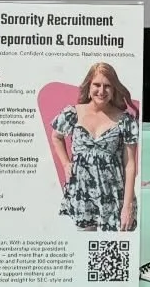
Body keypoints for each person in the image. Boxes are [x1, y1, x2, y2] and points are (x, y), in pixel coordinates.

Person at [50, 63, 139, 231]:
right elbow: (56, 137)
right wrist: (66, 164)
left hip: (113, 196)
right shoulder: (73, 113)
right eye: (97, 85)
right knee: (84, 248)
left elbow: (130, 165)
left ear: (114, 90)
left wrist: (127, 206)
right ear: (89, 85)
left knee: (113, 251)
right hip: (81, 194)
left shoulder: (126, 121)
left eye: (107, 86)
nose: (101, 91)